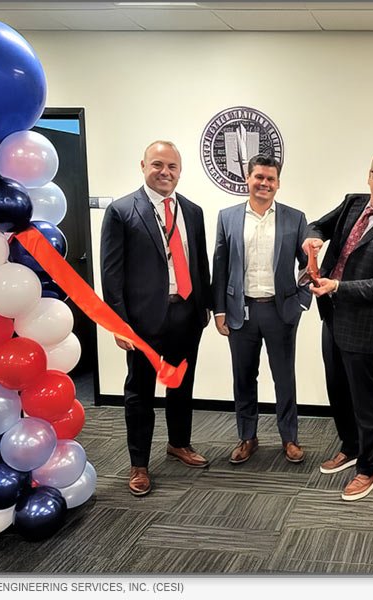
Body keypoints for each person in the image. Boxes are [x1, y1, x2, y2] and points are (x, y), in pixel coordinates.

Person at [302, 150, 373, 501]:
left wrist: (336, 286)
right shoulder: (353, 203)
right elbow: (318, 225)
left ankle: (368, 468)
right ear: (369, 176)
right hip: (331, 314)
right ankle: (349, 446)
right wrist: (313, 238)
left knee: (366, 401)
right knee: (337, 389)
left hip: (363, 324)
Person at [100, 140, 212, 496]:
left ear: (180, 171)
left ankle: (179, 443)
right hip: (142, 322)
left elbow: (200, 262)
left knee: (181, 384)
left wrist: (205, 307)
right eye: (158, 165)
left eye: (172, 167)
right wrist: (118, 324)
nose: (165, 173)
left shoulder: (192, 211)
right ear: (144, 165)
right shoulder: (121, 211)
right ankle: (139, 464)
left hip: (186, 313)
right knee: (140, 392)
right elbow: (111, 274)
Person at [212, 155, 311, 464]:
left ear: (278, 183)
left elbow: (309, 265)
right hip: (240, 311)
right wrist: (218, 310)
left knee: (284, 378)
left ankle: (289, 438)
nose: (264, 183)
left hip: (280, 311)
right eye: (259, 177)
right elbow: (220, 265)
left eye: (270, 179)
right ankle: (247, 437)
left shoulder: (295, 218)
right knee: (243, 378)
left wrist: (302, 301)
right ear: (248, 178)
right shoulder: (227, 217)